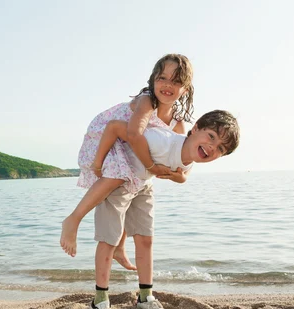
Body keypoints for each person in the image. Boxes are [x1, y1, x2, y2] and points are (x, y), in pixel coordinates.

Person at [87, 110, 240, 309]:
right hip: (119, 177)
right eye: (211, 137)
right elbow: (118, 129)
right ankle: (99, 303)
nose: (212, 148)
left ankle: (145, 297)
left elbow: (183, 172)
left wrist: (180, 177)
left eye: (220, 149)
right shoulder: (162, 140)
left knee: (146, 239)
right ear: (195, 128)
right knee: (108, 239)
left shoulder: (193, 155)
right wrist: (99, 163)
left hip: (142, 184)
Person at [60, 54, 195, 266]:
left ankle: (120, 248)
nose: (168, 85)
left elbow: (184, 167)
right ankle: (73, 219)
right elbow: (132, 134)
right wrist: (100, 162)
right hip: (106, 137)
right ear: (153, 81)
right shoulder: (147, 102)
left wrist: (178, 176)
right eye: (162, 78)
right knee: (117, 176)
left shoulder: (178, 125)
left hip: (130, 146)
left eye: (176, 81)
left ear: (185, 89)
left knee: (135, 184)